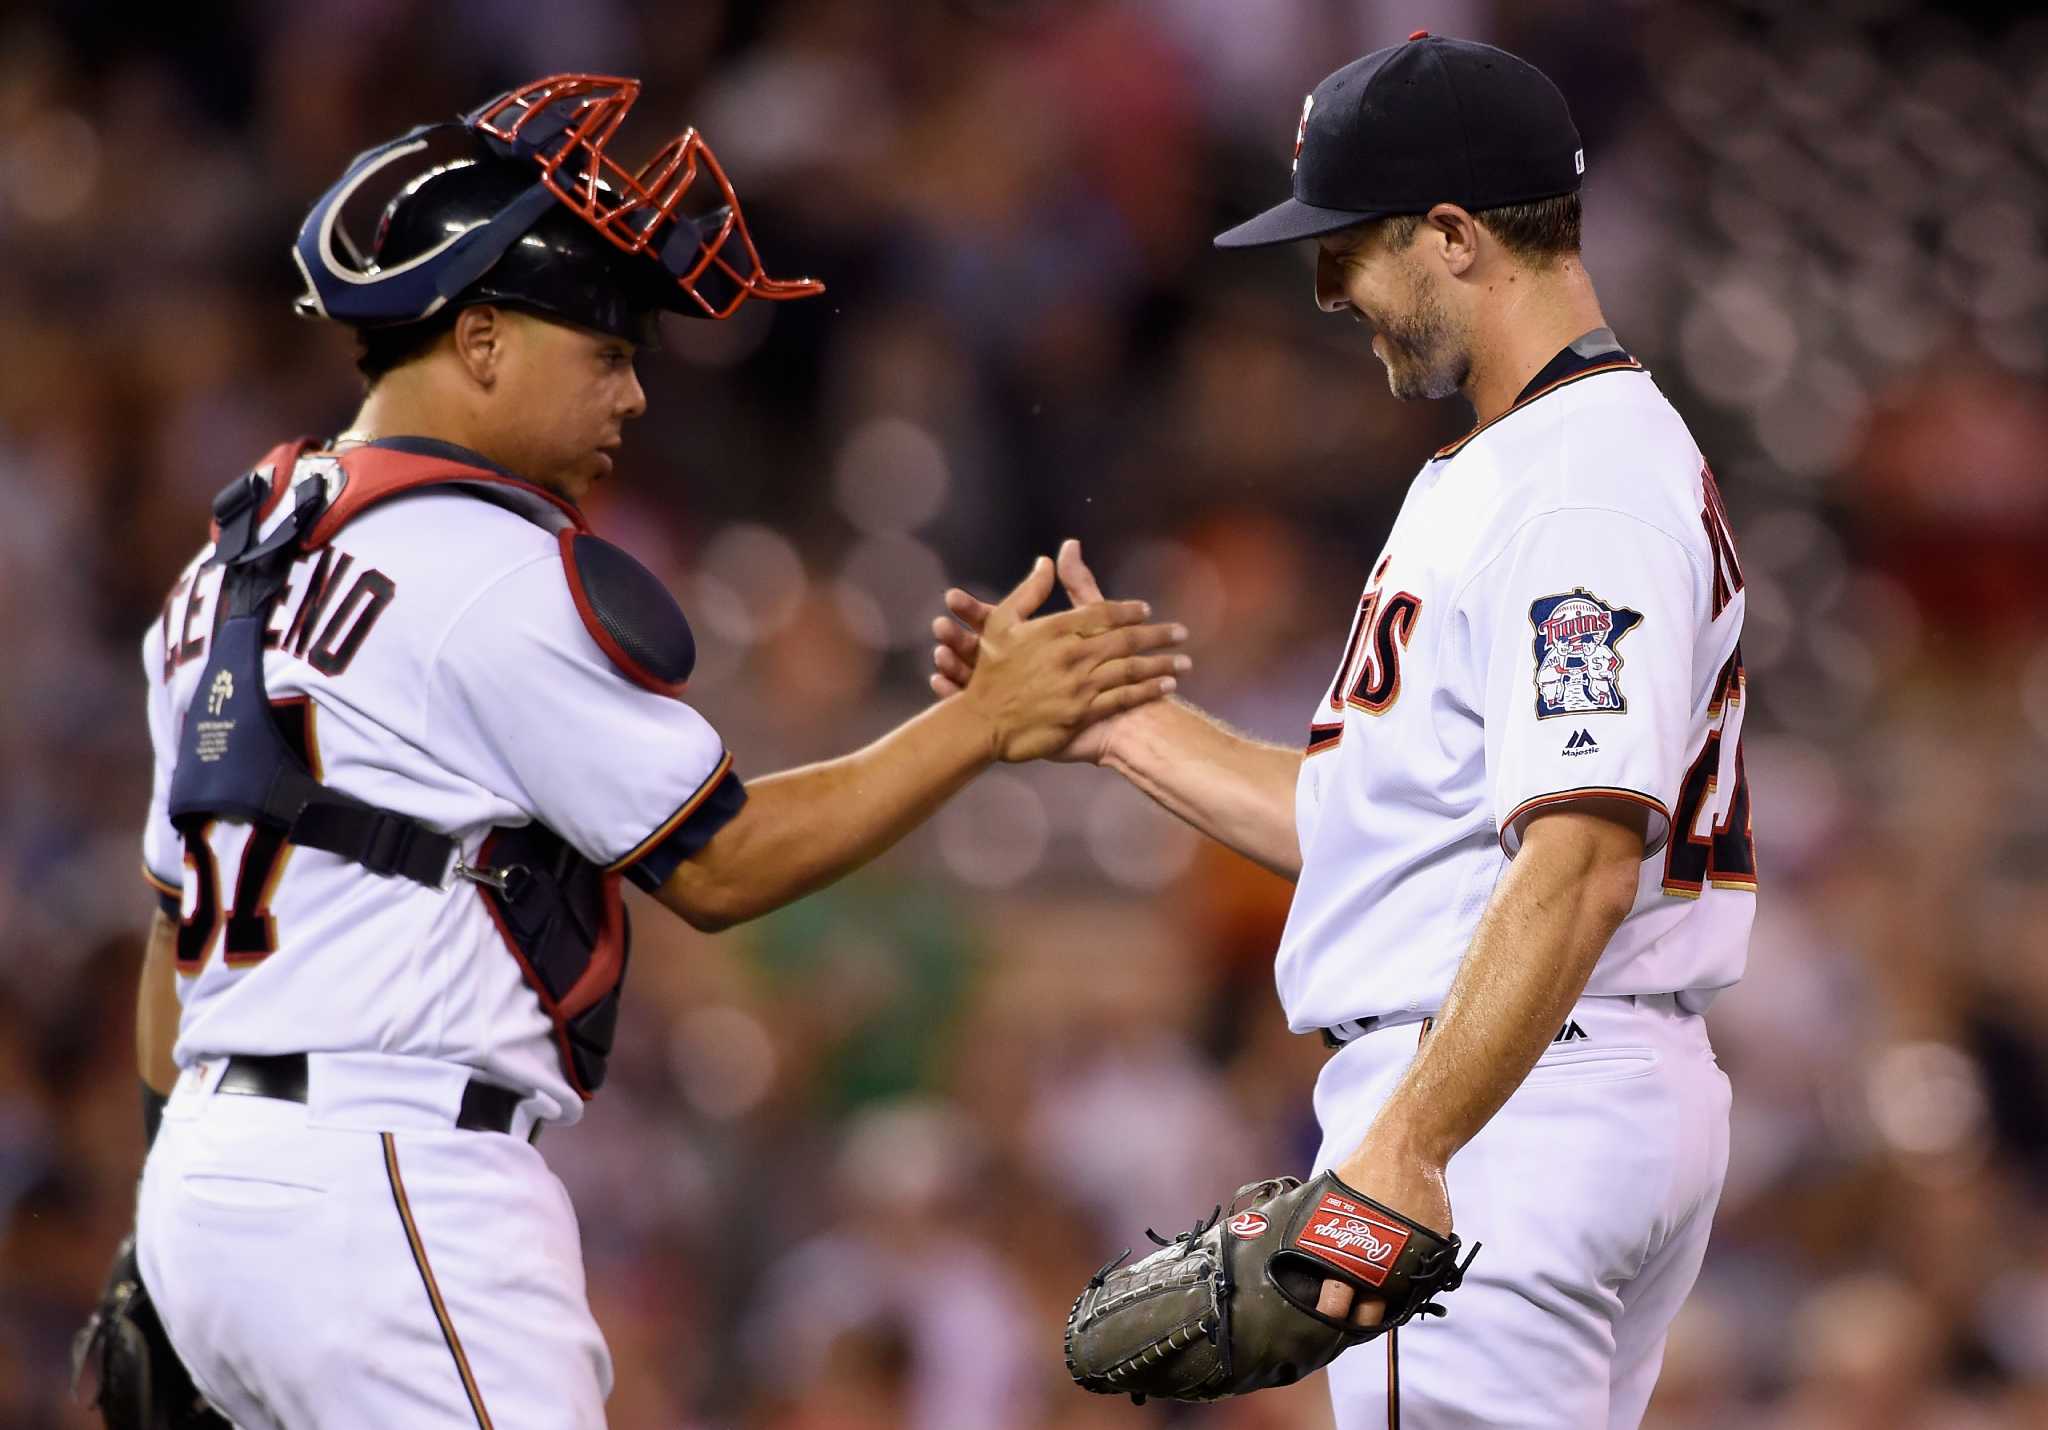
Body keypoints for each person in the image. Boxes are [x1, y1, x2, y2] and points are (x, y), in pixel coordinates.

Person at [101, 74, 1188, 1430]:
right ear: (481, 338)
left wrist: (152, 1237)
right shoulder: (483, 562)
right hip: (388, 1181)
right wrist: (984, 720)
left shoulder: (230, 561)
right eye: (604, 349)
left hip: (206, 1175)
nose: (631, 393)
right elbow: (724, 862)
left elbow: (170, 944)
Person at [932, 34, 1753, 1430]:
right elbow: (1371, 821)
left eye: (1348, 246)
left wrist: (1414, 1144)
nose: (1325, 289)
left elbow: (1580, 860)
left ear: (1452, 234)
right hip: (1553, 1081)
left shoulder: (1578, 485)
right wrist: (1116, 722)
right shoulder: (1535, 460)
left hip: (1505, 1093)